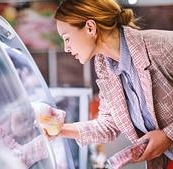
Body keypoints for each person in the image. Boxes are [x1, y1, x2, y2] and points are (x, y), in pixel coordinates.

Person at [39, 0, 173, 168]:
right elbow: (108, 124)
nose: (66, 48)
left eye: (67, 38)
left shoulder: (161, 47)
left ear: (90, 27)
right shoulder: (104, 67)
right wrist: (60, 129)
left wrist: (168, 135)